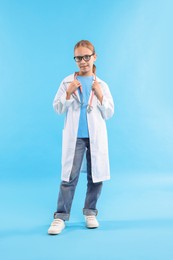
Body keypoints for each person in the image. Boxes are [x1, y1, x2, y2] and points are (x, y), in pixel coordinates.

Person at [48, 40, 114, 235]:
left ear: (94, 56)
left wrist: (100, 95)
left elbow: (109, 112)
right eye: (79, 58)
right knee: (69, 176)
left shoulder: (101, 84)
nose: (83, 61)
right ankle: (60, 217)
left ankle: (90, 212)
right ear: (75, 59)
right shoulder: (67, 82)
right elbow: (58, 109)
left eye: (87, 57)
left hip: (95, 136)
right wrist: (68, 94)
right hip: (75, 137)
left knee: (96, 176)